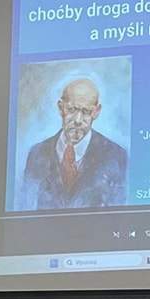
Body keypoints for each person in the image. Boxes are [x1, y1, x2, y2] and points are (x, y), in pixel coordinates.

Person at [19, 77, 128, 209]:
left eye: (86, 112)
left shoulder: (116, 156)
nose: (78, 120)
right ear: (61, 108)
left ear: (96, 112)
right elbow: (26, 205)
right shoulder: (37, 154)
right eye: (71, 110)